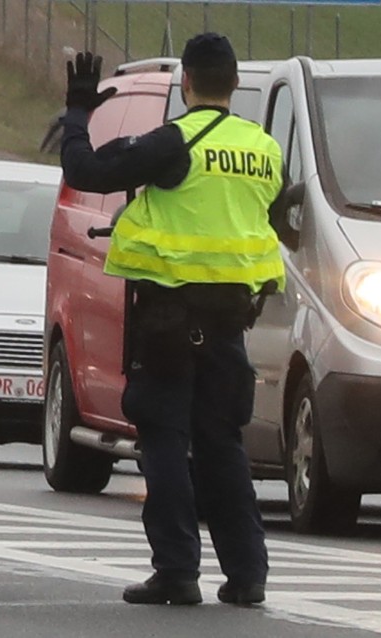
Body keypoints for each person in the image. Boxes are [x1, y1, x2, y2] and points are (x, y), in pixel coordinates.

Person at [60, 33, 286, 606]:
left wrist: (79, 112)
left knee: (163, 438)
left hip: (167, 319)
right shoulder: (264, 150)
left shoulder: (173, 143)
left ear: (186, 82)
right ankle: (248, 574)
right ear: (235, 84)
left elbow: (83, 170)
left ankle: (178, 570)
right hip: (231, 321)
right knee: (222, 443)